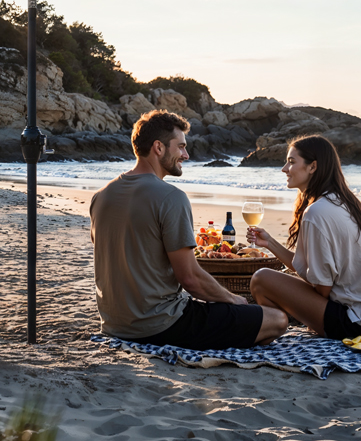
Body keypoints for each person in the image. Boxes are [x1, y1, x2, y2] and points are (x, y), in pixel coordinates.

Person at [90, 110, 288, 349]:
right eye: (181, 147)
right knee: (277, 320)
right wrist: (234, 299)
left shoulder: (101, 196)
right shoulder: (171, 197)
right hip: (161, 324)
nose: (186, 154)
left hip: (114, 325)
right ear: (158, 148)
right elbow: (190, 278)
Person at [249, 134, 361, 339]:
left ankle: (273, 328)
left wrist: (293, 297)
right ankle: (287, 320)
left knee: (261, 279)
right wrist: (270, 243)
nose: (284, 169)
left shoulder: (317, 212)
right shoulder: (342, 201)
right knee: (274, 282)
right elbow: (314, 272)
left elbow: (322, 289)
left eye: (291, 162)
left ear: (313, 167)